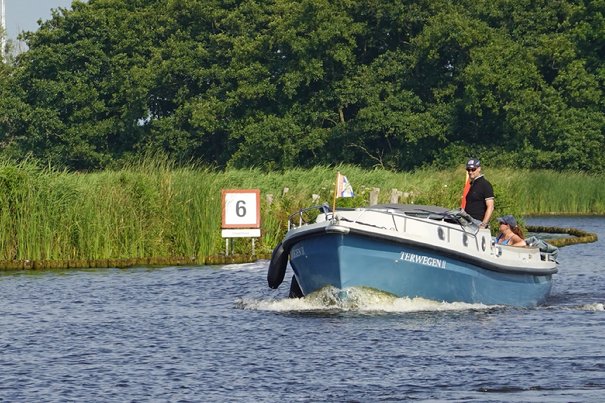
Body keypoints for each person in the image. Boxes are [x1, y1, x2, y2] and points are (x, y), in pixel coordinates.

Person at [463, 158, 494, 229]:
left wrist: (483, 225)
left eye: (473, 169)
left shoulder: (485, 184)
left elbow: (490, 207)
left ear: (479, 169)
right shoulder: (473, 184)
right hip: (468, 220)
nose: (470, 172)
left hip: (477, 223)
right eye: (468, 170)